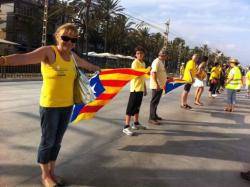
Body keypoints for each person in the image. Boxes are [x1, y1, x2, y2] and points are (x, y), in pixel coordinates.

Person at [0, 23, 100, 187]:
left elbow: (86, 64)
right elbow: (24, 58)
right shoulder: (49, 52)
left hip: (67, 106)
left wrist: (99, 69)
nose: (68, 42)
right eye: (65, 38)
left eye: (73, 39)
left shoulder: (73, 56)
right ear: (57, 36)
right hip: (50, 106)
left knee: (57, 141)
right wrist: (3, 60)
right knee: (47, 141)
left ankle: (52, 172)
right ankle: (45, 175)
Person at [123, 46, 147, 136]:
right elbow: (137, 74)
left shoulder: (143, 63)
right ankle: (126, 126)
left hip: (140, 88)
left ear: (144, 54)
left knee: (137, 107)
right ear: (135, 55)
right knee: (130, 108)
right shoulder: (135, 63)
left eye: (141, 53)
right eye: (138, 53)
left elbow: (143, 77)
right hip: (134, 89)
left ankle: (136, 123)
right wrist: (146, 71)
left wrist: (144, 88)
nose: (139, 55)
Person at [148, 49, 167, 125]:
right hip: (157, 85)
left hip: (160, 85)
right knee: (154, 102)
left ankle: (154, 115)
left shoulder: (161, 62)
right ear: (162, 55)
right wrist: (157, 84)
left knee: (156, 101)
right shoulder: (156, 61)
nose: (166, 57)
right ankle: (151, 118)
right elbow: (153, 73)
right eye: (166, 55)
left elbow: (161, 73)